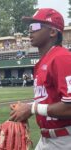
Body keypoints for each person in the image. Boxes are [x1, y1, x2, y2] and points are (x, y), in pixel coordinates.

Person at [9, 8, 71, 150]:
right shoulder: (45, 60)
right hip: (48, 140)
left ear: (53, 32)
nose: (30, 31)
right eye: (29, 27)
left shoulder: (62, 58)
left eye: (35, 26)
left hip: (65, 140)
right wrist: (26, 108)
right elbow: (50, 100)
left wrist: (32, 108)